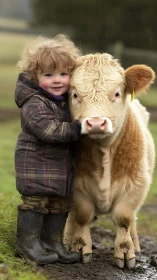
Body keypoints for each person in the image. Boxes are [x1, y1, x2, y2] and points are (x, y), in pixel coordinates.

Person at [14, 34, 81, 265]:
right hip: (36, 165)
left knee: (61, 203)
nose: (57, 80)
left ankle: (53, 242)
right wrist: (78, 129)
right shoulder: (34, 101)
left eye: (64, 74)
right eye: (48, 75)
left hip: (60, 169)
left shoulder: (66, 101)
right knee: (36, 202)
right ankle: (27, 242)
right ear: (35, 76)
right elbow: (48, 130)